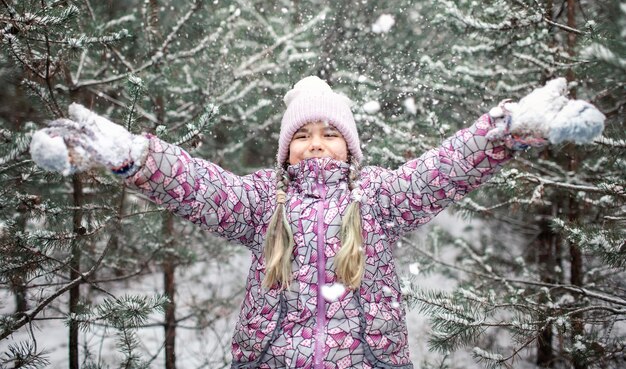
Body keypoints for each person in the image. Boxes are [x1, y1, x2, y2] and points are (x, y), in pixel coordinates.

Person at [30, 76, 605, 369]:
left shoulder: (379, 198)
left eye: (330, 133)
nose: (316, 144)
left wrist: (501, 131)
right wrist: (134, 154)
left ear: (350, 146)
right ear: (285, 150)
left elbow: (444, 169)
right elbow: (196, 184)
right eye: (302, 135)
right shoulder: (261, 203)